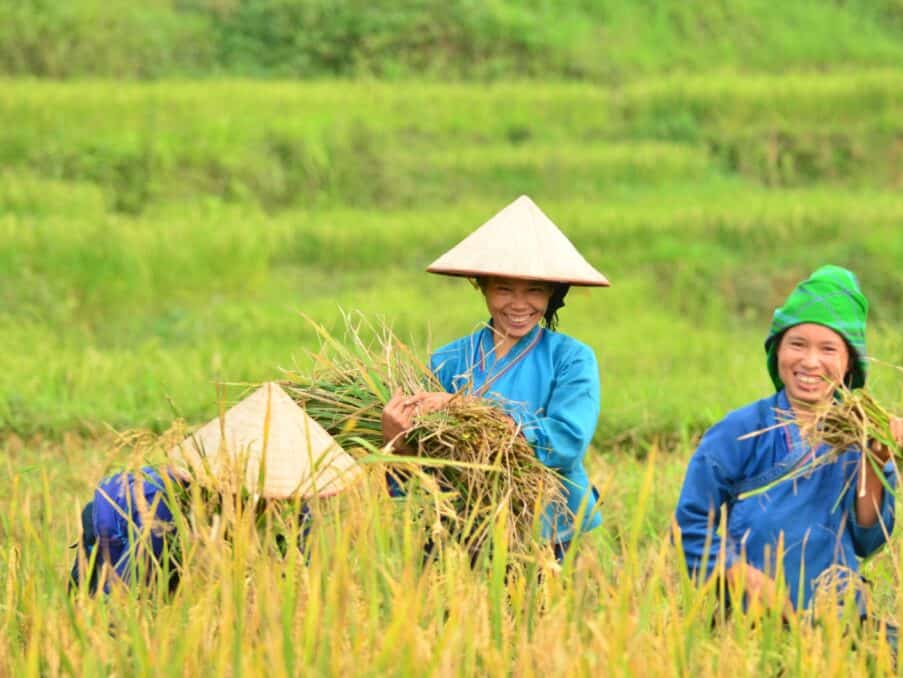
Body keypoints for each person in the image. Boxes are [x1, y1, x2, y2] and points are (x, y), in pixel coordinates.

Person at [674, 265, 903, 620]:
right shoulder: (740, 430)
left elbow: (869, 541)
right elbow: (689, 524)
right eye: (797, 344)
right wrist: (740, 575)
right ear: (777, 352)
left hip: (838, 617)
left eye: (828, 349)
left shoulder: (862, 436)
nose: (810, 362)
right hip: (749, 620)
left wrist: (875, 464)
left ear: (848, 365)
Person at [381, 195, 609, 560]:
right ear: (481, 286)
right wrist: (399, 439)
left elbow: (567, 441)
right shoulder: (448, 360)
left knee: (538, 614)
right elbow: (426, 458)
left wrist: (464, 408)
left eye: (534, 290)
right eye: (504, 289)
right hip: (460, 522)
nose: (519, 305)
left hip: (544, 526)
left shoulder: (571, 359)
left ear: (552, 293)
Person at [69, 382, 359, 594]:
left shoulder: (290, 502)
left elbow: (307, 576)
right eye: (259, 497)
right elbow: (118, 604)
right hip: (114, 523)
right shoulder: (162, 517)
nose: (273, 504)